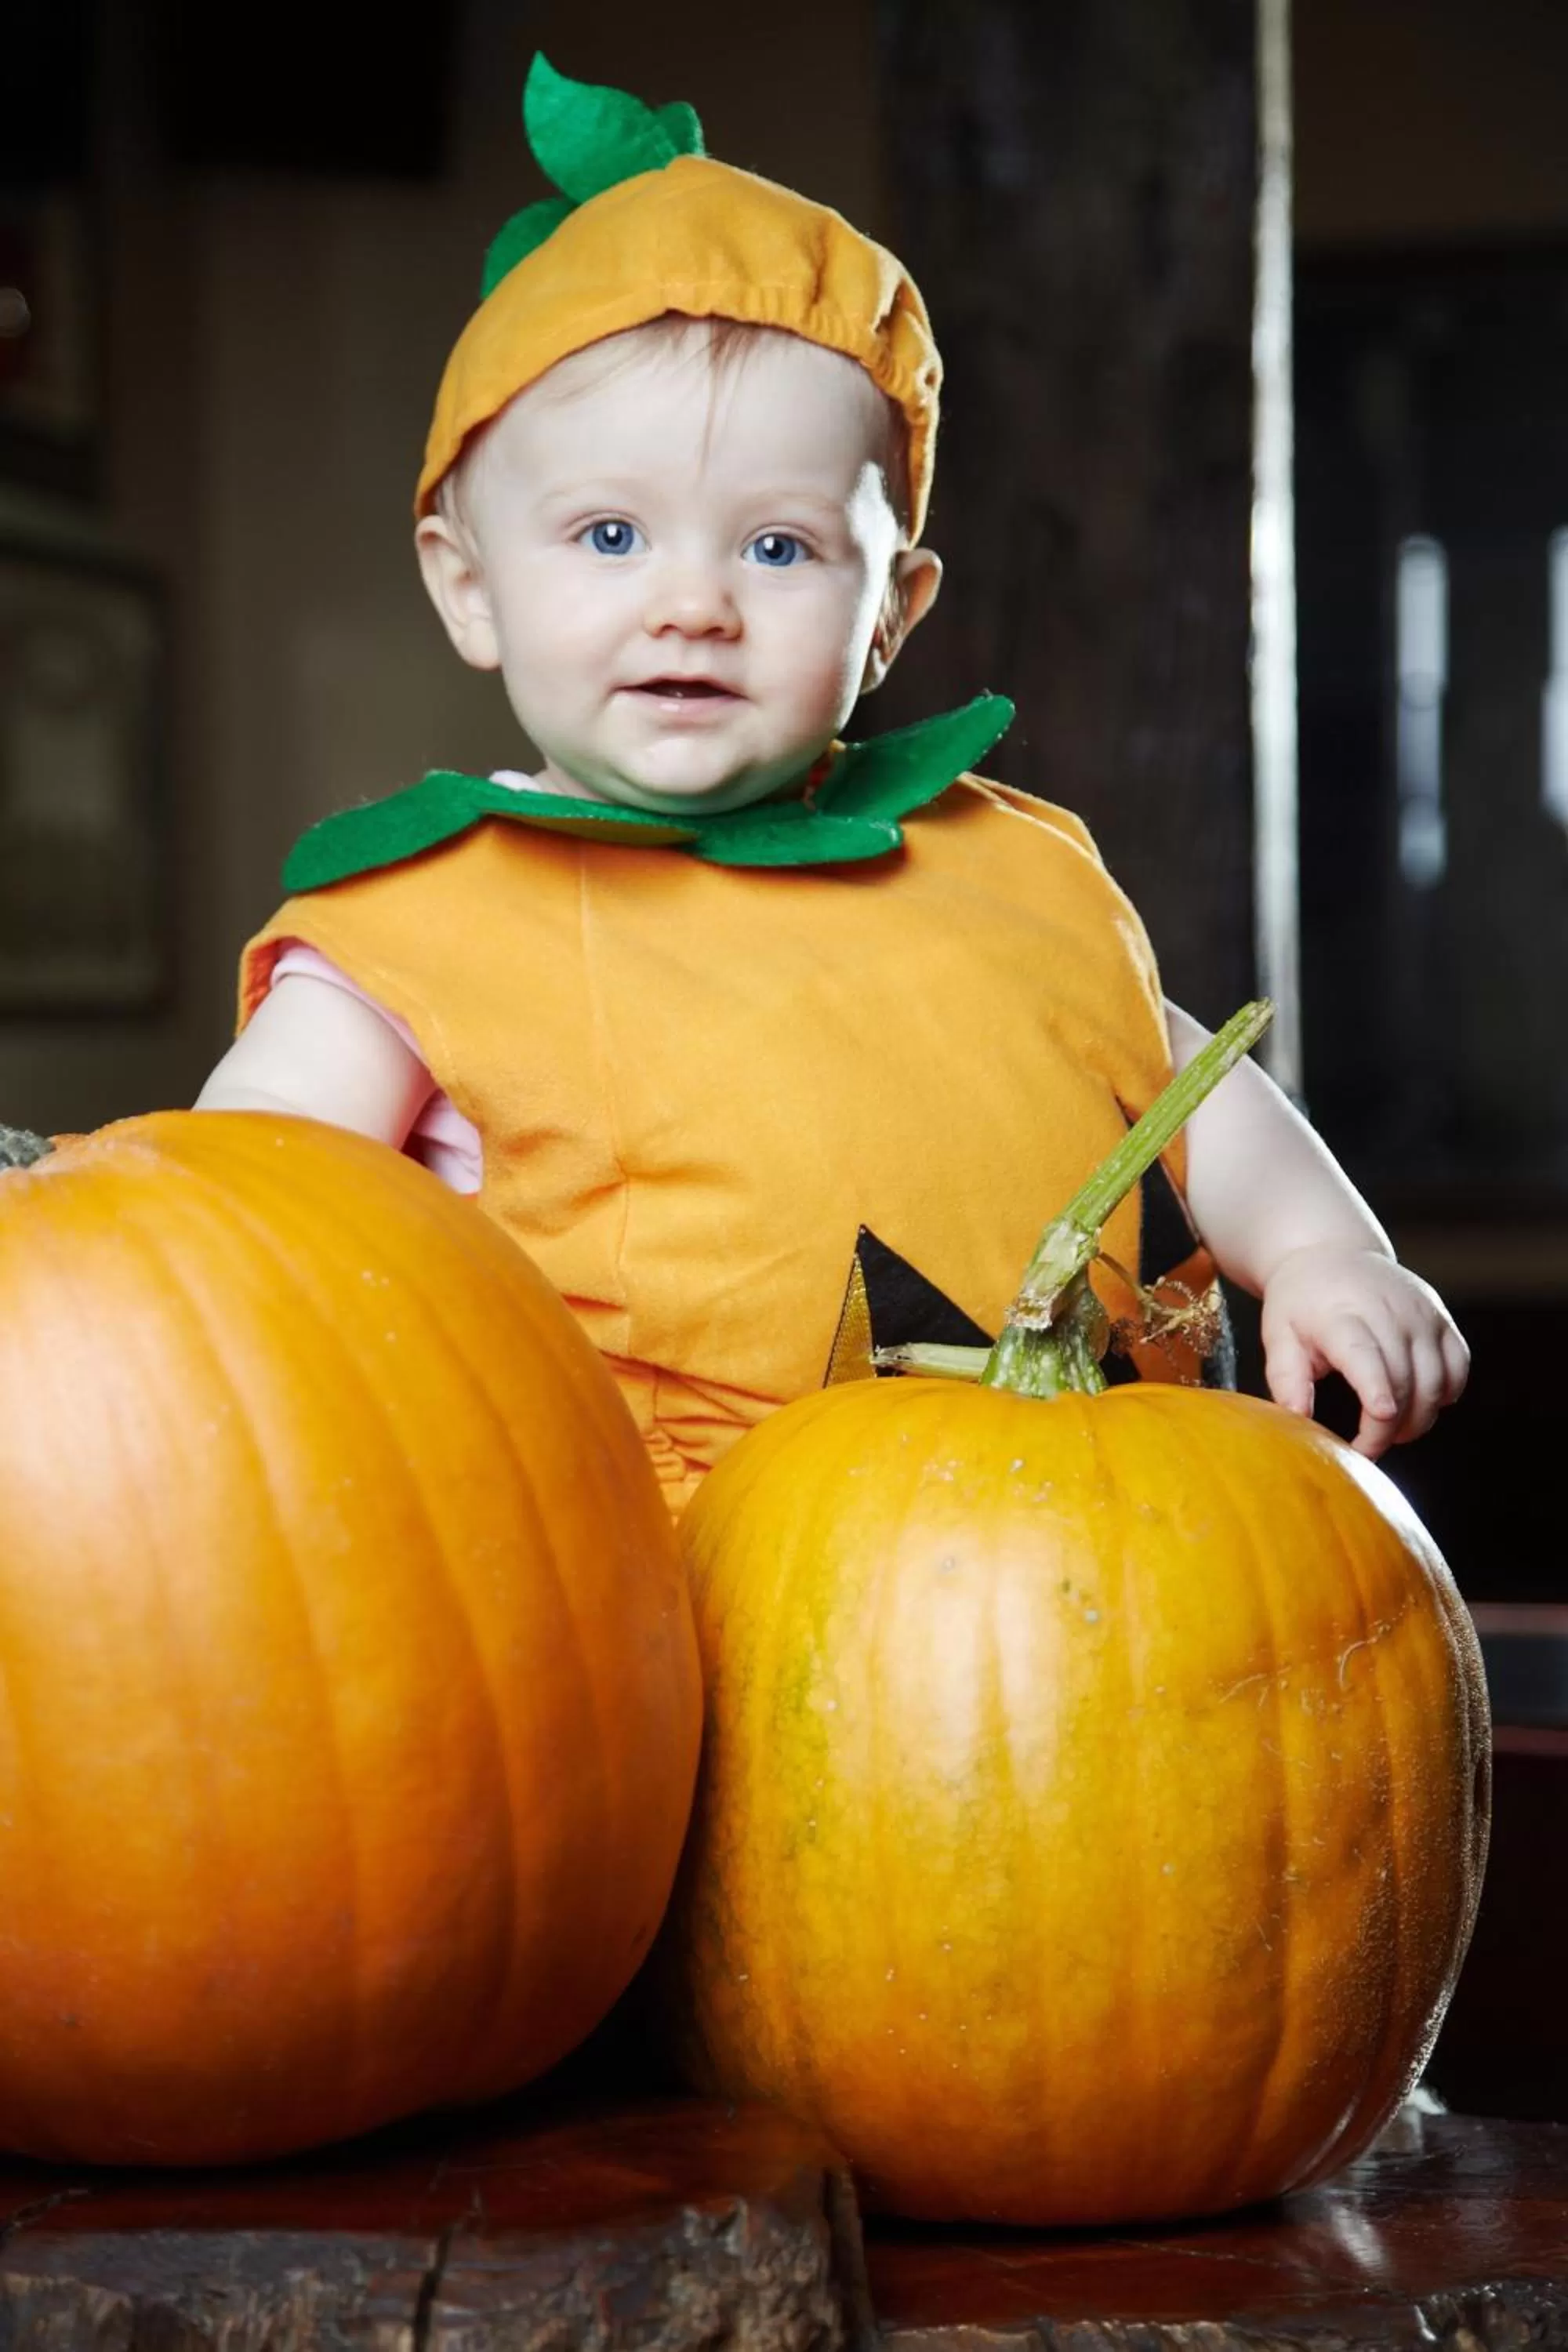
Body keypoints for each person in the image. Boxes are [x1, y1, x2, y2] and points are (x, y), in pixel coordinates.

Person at [196, 55, 1468, 1513]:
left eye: (780, 548)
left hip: (1128, 1566)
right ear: (468, 589)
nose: (693, 606)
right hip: (669, 1606)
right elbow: (240, 1229)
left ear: (893, 614)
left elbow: (1190, 1090)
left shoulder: (1005, 866)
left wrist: (1323, 1251)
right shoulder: (412, 945)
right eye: (610, 537)